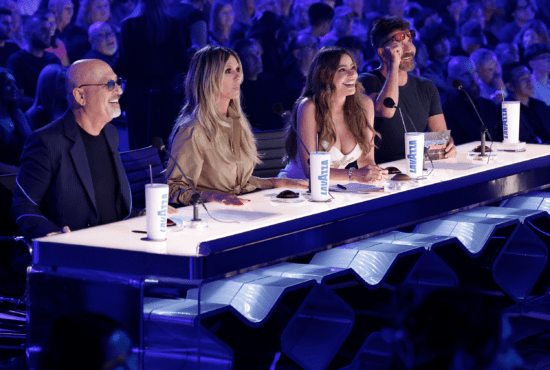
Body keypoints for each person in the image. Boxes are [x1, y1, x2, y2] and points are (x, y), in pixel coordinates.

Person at [166, 45, 307, 207]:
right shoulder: (193, 130)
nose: (238, 76)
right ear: (208, 78)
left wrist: (276, 182)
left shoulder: (236, 123)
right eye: (228, 71)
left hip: (236, 209)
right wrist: (212, 196)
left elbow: (238, 184)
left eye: (238, 69)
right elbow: (174, 189)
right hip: (207, 217)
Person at [10, 59, 134, 240]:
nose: (119, 91)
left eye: (118, 82)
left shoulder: (111, 133)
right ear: (80, 96)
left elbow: (110, 202)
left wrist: (139, 215)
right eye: (109, 84)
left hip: (115, 242)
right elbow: (23, 205)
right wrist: (52, 234)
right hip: (71, 252)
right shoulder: (45, 141)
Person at [278, 46, 388, 183]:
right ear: (325, 75)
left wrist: (374, 175)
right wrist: (355, 175)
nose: (352, 74)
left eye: (353, 68)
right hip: (295, 187)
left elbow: (366, 160)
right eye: (342, 70)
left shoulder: (365, 105)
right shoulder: (309, 107)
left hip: (334, 188)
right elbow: (311, 171)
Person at [359, 16, 456, 164]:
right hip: (382, 171)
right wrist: (393, 64)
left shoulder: (426, 87)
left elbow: (441, 136)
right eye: (399, 44)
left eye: (409, 41)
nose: (408, 49)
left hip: (416, 166)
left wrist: (448, 146)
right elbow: (386, 110)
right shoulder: (366, 81)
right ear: (381, 52)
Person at [116, 0, 187, 150]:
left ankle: (141, 173)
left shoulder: (129, 25)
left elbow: (124, 62)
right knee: (165, 145)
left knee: (140, 145)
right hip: (169, 92)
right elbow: (181, 61)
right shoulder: (174, 24)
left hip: (138, 92)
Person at [6, 12, 62, 111]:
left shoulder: (53, 60)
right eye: (43, 30)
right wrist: (46, 104)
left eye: (49, 29)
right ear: (27, 33)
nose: (49, 34)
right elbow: (18, 98)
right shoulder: (17, 60)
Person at [442, 56, 502, 145]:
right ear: (452, 81)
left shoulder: (489, 106)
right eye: (465, 74)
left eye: (474, 72)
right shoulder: (444, 111)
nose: (473, 78)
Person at [503, 64, 550, 144]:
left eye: (529, 76)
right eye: (523, 78)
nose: (530, 81)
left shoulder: (540, 105)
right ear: (510, 86)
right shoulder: (506, 111)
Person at [0, 67, 31, 174]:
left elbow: (31, 145)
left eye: (15, 83)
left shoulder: (18, 114)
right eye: (8, 83)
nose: (14, 88)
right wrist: (15, 171)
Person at [25, 64, 67, 131]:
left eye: (67, 80)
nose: (66, 85)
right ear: (49, 84)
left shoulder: (69, 111)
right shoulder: (37, 115)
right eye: (62, 81)